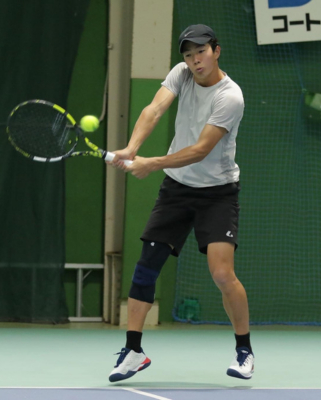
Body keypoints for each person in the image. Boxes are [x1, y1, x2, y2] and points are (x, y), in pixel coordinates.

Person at [107, 24, 253, 382]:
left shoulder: (230, 97)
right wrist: (131, 149)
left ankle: (244, 351)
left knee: (222, 273)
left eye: (201, 52)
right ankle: (133, 351)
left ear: (216, 50)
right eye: (188, 55)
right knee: (146, 267)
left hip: (217, 193)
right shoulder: (181, 74)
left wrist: (150, 163)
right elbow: (154, 110)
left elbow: (201, 149)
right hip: (176, 189)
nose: (195, 60)